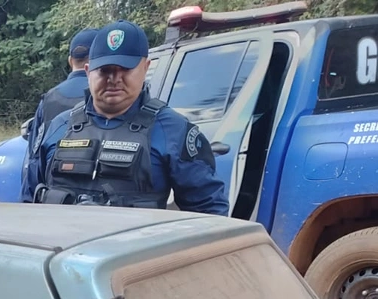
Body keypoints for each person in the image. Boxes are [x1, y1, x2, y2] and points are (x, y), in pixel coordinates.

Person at [26, 20, 229, 215]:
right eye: (105, 70)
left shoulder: (173, 131)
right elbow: (27, 204)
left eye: (125, 69)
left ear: (145, 67)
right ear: (88, 71)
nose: (114, 79)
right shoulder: (58, 127)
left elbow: (210, 214)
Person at [24, 28, 99, 156]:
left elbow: (34, 155)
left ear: (70, 61)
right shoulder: (111, 96)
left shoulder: (48, 98)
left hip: (54, 168)